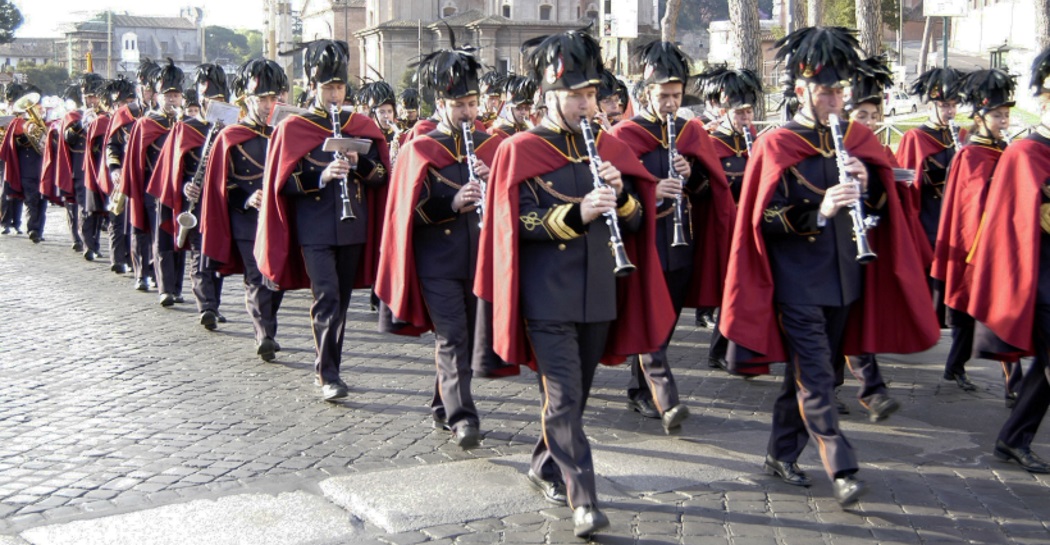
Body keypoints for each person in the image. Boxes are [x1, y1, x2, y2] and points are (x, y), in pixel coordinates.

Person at [719, 26, 939, 507]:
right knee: (816, 376)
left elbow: (885, 210)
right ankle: (842, 467)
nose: (836, 99)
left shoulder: (857, 138)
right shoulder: (777, 144)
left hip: (848, 279)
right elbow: (764, 217)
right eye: (826, 91)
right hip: (797, 283)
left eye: (840, 90)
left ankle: (779, 453)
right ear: (801, 91)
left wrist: (871, 183)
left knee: (817, 374)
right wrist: (819, 211)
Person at [475, 28, 674, 537]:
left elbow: (634, 222)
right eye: (577, 95)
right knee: (563, 397)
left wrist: (621, 194)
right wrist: (576, 212)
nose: (588, 105)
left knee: (576, 395)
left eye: (591, 95)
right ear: (549, 96)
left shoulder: (606, 147)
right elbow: (511, 225)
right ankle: (583, 497)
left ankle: (544, 463)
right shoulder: (520, 148)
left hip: (601, 291)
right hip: (546, 295)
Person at [376, 35, 500, 448]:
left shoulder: (491, 146)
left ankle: (441, 403)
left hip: (479, 258)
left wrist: (492, 181)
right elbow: (406, 213)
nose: (468, 113)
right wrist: (452, 202)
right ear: (441, 105)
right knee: (453, 336)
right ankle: (464, 416)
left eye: (472, 105)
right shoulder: (420, 148)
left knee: (465, 333)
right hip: (437, 261)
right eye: (459, 106)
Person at [609, 40, 735, 432]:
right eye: (663, 95)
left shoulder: (689, 131)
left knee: (665, 317)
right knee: (650, 310)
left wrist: (692, 173)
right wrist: (653, 190)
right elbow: (618, 191)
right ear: (647, 93)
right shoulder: (625, 134)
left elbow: (705, 192)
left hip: (683, 239)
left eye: (676, 96)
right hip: (644, 239)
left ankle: (637, 385)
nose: (670, 103)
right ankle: (658, 393)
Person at [256, 40, 390, 401]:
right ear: (313, 87)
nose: (334, 95)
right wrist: (321, 177)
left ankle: (330, 364)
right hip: (313, 229)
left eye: (339, 88)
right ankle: (327, 373)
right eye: (328, 88)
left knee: (341, 301)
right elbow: (281, 183)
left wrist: (359, 163)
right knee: (327, 296)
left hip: (353, 226)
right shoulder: (294, 128)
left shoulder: (360, 125)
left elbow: (381, 177)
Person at [967, 47, 1050, 474]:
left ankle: (1012, 439)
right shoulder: (1025, 154)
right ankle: (1014, 439)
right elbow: (1018, 224)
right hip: (1038, 281)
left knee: (1045, 371)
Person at [931, 68, 1023, 408]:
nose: (1004, 121)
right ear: (981, 118)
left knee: (989, 314)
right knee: (984, 314)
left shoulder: (1006, 150)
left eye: (1006, 115)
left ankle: (965, 369)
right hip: (977, 249)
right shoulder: (970, 155)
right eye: (998, 116)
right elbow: (973, 208)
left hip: (1001, 246)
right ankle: (1007, 382)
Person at [200, 58, 288, 362]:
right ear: (246, 100)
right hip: (246, 218)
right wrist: (247, 198)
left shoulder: (285, 132)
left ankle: (268, 325)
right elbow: (221, 185)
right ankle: (265, 334)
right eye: (261, 99)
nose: (267, 105)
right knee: (257, 275)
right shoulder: (230, 136)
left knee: (277, 279)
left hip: (280, 218)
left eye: (272, 98)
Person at [154, 63, 229, 325]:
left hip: (223, 201)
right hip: (195, 202)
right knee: (199, 253)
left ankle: (215, 303)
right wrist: (185, 185)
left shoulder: (232, 130)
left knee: (217, 254)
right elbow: (172, 168)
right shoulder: (185, 129)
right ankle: (206, 305)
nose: (214, 105)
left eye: (220, 100)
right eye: (210, 100)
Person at [898, 67, 966, 340]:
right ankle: (930, 319)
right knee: (931, 264)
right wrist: (950, 171)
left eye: (953, 105)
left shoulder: (960, 135)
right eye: (944, 106)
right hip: (928, 212)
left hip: (955, 212)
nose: (950, 111)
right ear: (932, 106)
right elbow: (910, 178)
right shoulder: (916, 137)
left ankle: (952, 315)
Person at [704, 67, 762, 373]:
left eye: (749, 113)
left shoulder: (752, 140)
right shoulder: (714, 144)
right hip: (726, 226)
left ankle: (741, 348)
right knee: (733, 288)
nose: (746, 119)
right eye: (740, 113)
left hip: (751, 224)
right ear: (727, 113)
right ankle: (720, 349)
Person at [129, 59, 185, 306]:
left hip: (182, 190)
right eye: (168, 95)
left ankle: (178, 287)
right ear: (159, 97)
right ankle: (165, 288)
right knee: (160, 238)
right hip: (153, 189)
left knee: (181, 238)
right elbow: (136, 160)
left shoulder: (188, 125)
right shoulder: (146, 124)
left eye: (176, 96)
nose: (172, 100)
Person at [109, 59, 161, 291]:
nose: (149, 93)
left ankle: (157, 272)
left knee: (160, 229)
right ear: (139, 89)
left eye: (153, 89)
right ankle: (141, 274)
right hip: (135, 176)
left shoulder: (167, 116)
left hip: (159, 178)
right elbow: (112, 145)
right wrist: (115, 168)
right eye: (146, 88)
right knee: (137, 226)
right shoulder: (127, 113)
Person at [99, 76, 139, 275]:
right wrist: (114, 168)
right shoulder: (118, 119)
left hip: (137, 175)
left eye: (130, 101)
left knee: (133, 219)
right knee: (117, 216)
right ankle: (117, 258)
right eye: (124, 102)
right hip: (120, 172)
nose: (127, 105)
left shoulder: (144, 116)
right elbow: (112, 145)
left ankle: (132, 259)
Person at [0, 84, 47, 243]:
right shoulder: (18, 124)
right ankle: (32, 229)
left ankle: (39, 229)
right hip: (26, 168)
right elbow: (13, 145)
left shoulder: (45, 123)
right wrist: (27, 133)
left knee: (42, 201)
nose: (38, 108)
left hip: (43, 168)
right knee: (31, 200)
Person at [488, 74, 535, 138]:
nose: (523, 112)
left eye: (527, 108)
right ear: (507, 108)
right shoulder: (494, 133)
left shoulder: (531, 132)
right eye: (519, 108)